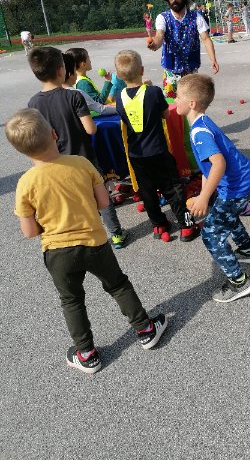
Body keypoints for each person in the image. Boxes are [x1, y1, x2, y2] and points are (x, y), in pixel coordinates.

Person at [5, 108, 167, 375]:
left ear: (21, 151)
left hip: (57, 251)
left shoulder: (25, 183)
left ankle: (87, 353)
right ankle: (145, 329)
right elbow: (103, 203)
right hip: (94, 242)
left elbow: (30, 231)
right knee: (117, 285)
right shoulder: (81, 164)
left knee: (71, 300)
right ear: (54, 134)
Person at [27, 46, 127, 250]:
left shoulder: (33, 103)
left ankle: (83, 235)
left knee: (73, 198)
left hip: (57, 159)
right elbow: (90, 129)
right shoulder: (73, 96)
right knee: (100, 192)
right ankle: (116, 234)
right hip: (84, 157)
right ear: (61, 70)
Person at [175, 74, 250, 303]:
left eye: (178, 96)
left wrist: (204, 198)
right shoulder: (202, 122)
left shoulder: (199, 133)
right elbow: (209, 169)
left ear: (191, 103)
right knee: (226, 215)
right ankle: (248, 251)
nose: (175, 100)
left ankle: (239, 282)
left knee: (211, 233)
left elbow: (218, 164)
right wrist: (203, 195)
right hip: (243, 181)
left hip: (238, 186)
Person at [114, 49, 199, 242]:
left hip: (136, 154)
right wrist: (149, 87)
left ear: (118, 75)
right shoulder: (153, 92)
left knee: (147, 191)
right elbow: (166, 115)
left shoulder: (119, 97)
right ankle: (186, 226)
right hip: (158, 151)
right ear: (142, 70)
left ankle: (158, 224)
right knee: (173, 189)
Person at [148, 0, 219, 98]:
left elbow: (206, 38)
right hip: (171, 70)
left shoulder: (196, 17)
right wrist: (155, 44)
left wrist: (213, 59)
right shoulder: (163, 17)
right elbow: (159, 35)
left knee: (191, 101)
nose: (174, 0)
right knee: (172, 103)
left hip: (190, 68)